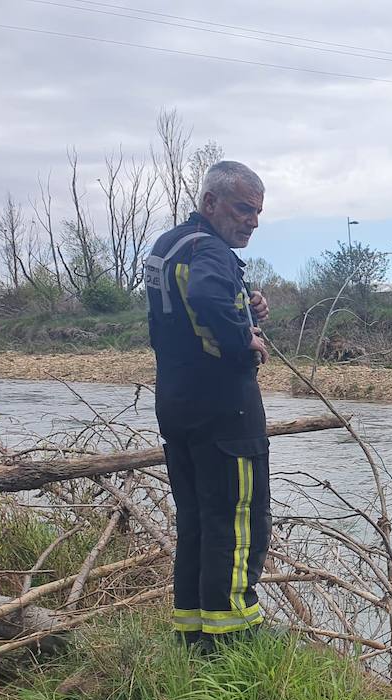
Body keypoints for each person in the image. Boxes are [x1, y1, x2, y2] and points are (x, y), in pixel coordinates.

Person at [144, 161, 272, 651]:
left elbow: (186, 308)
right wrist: (245, 343)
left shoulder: (169, 246)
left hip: (178, 407)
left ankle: (193, 635)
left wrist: (248, 306)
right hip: (226, 415)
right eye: (244, 209)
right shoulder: (210, 251)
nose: (252, 222)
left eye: (258, 213)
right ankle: (233, 640)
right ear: (211, 203)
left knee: (197, 524)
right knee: (238, 522)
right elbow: (205, 294)